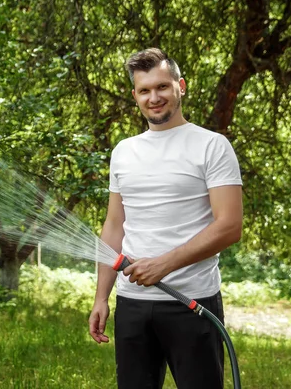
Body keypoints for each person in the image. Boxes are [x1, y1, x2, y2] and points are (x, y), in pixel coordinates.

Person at [88, 48, 243, 389]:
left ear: (180, 86)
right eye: (144, 90)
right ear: (135, 96)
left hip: (192, 302)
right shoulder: (124, 151)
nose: (153, 97)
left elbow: (230, 225)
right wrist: (101, 297)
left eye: (161, 87)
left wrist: (163, 265)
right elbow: (115, 225)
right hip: (132, 304)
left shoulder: (212, 146)